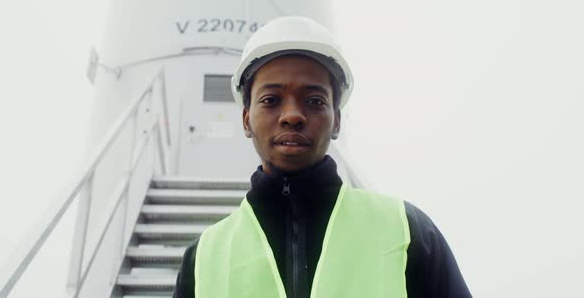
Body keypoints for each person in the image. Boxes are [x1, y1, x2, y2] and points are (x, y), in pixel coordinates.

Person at [173, 16, 471, 298]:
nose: (292, 115)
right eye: (271, 100)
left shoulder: (408, 233)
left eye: (314, 101)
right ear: (246, 119)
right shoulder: (203, 259)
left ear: (337, 120)